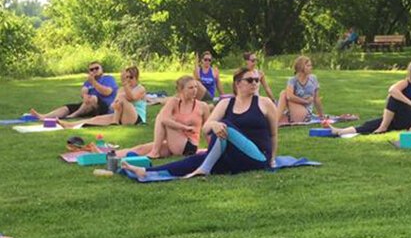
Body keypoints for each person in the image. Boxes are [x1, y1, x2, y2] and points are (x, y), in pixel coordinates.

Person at [122, 67, 278, 179]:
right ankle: (147, 171)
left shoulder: (264, 103)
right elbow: (206, 128)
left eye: (257, 80)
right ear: (238, 84)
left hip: (258, 157)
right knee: (195, 158)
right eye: (250, 80)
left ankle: (204, 170)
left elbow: (273, 134)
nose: (255, 83)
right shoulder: (226, 104)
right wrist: (214, 125)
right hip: (235, 157)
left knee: (224, 126)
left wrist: (272, 159)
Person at [330, 60, 411, 136]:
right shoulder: (406, 83)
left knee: (394, 99)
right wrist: (410, 102)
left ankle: (383, 127)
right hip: (399, 119)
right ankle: (341, 131)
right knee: (370, 124)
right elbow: (392, 90)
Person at [117, 76, 210, 158]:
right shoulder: (174, 102)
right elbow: (164, 118)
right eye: (190, 88)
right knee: (141, 149)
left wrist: (211, 148)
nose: (194, 90)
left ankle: (155, 152)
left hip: (189, 146)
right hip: (173, 142)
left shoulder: (202, 106)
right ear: (181, 90)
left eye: (196, 87)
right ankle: (108, 154)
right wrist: (184, 127)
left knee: (161, 118)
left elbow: (209, 129)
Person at [59, 66, 146, 128]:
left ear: (136, 78)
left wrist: (125, 85)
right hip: (121, 116)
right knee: (97, 119)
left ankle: (114, 122)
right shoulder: (121, 89)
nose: (128, 79)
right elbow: (113, 105)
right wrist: (116, 105)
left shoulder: (140, 88)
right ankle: (71, 125)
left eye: (131, 77)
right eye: (126, 77)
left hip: (136, 118)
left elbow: (132, 98)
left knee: (122, 97)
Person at [30, 61, 118, 120]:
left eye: (96, 68)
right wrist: (84, 96)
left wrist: (94, 83)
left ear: (101, 69)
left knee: (93, 98)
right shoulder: (88, 82)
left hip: (105, 108)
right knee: (67, 107)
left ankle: (74, 115)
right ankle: (43, 117)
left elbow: (107, 92)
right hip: (88, 106)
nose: (94, 70)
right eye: (92, 69)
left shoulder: (108, 78)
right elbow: (84, 90)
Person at [277, 56, 325, 124]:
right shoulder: (293, 80)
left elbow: (316, 99)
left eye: (310, 65)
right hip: (293, 111)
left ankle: (275, 121)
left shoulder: (313, 79)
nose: (311, 67)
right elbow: (289, 96)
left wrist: (321, 116)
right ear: (301, 67)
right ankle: (275, 120)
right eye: (308, 66)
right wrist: (305, 101)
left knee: (284, 93)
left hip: (305, 113)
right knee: (284, 93)